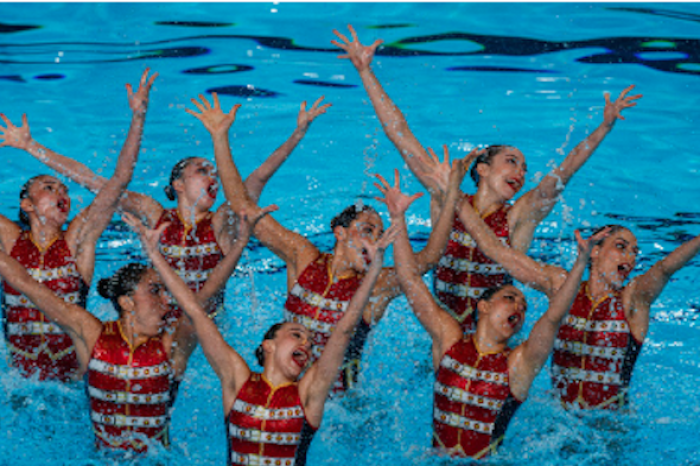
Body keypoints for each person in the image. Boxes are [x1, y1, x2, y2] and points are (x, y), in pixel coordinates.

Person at [332, 24, 642, 332]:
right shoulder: (445, 194)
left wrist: (604, 127)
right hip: (442, 326)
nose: (520, 173)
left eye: (523, 168)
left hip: (494, 331)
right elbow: (401, 135)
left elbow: (562, 175)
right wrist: (365, 72)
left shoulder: (518, 217)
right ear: (482, 169)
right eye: (511, 162)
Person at [187, 93, 467, 394]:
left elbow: (427, 259)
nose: (375, 239)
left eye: (380, 232)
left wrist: (418, 209)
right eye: (368, 229)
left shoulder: (375, 286)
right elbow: (242, 206)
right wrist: (219, 137)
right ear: (340, 233)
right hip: (281, 392)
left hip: (339, 411)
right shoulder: (303, 257)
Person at [1, 89, 330, 318]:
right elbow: (95, 182)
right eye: (202, 171)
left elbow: (254, 182)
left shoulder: (220, 223)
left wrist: (296, 135)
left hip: (204, 330)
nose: (212, 177)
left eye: (213, 172)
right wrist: (32, 147)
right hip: (155, 325)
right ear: (178, 184)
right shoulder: (153, 213)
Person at [128, 190, 398, 466]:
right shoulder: (238, 381)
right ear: (268, 345)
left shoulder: (309, 394)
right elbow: (197, 312)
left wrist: (375, 268)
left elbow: (342, 331)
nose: (306, 343)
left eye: (306, 339)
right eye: (296, 335)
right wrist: (154, 254)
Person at [0, 199, 274, 452]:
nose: (167, 300)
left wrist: (158, 255)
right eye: (156, 290)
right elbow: (25, 283)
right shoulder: (91, 333)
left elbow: (203, 298)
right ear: (127, 302)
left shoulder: (172, 345)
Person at [447, 146, 700, 410]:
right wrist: (455, 197)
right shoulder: (560, 286)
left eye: (635, 251)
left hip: (609, 426)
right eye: (621, 246)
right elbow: (497, 251)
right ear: (596, 251)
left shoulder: (633, 299)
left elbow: (665, 268)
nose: (631, 257)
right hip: (560, 420)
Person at [389, 157, 609, 458]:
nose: (519, 305)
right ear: (483, 306)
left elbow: (555, 316)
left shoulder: (518, 364)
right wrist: (397, 219)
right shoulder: (449, 339)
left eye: (523, 305)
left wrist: (582, 262)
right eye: (510, 298)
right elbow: (410, 279)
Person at [0, 69, 156, 381]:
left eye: (64, 190)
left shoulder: (77, 240)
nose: (62, 193)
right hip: (18, 385)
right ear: (27, 205)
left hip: (74, 385)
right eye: (49, 187)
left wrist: (138, 118)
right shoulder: (9, 239)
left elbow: (119, 181)